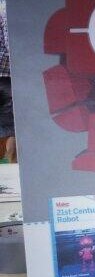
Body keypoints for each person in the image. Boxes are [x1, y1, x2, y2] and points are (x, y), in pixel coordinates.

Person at [0, 3, 14, 163]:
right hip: (6, 77)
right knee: (11, 129)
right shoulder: (8, 8)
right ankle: (14, 167)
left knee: (5, 128)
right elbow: (13, 48)